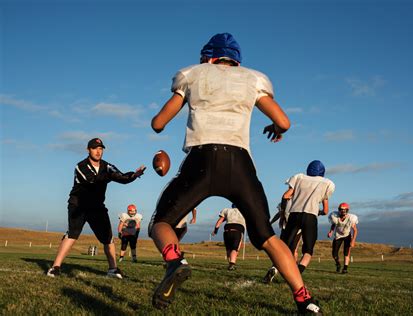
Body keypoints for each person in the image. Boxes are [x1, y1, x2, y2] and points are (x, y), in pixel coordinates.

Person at [148, 33, 322, 314]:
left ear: (208, 56)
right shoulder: (252, 79)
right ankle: (304, 299)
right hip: (241, 163)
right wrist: (276, 130)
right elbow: (284, 122)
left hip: (203, 157)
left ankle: (174, 261)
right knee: (268, 237)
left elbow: (158, 123)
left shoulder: (193, 74)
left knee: (161, 223)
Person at [46, 138, 145, 279]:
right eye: (95, 148)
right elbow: (91, 180)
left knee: (108, 238)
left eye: (101, 148)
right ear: (88, 150)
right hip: (78, 205)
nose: (98, 151)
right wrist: (109, 176)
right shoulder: (80, 166)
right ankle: (55, 267)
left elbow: (122, 177)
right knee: (72, 235)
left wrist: (134, 175)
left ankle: (113, 269)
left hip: (97, 207)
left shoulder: (107, 166)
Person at [278, 160, 335, 274]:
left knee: (285, 247)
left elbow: (286, 196)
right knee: (308, 251)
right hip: (310, 216)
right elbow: (325, 210)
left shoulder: (299, 177)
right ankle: (297, 273)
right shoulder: (327, 183)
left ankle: (275, 268)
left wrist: (283, 212)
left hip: (294, 214)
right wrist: (318, 212)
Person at [263, 202, 302, 283]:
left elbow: (279, 214)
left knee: (281, 251)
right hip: (296, 230)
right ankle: (292, 274)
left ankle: (274, 268)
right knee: (292, 252)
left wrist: (271, 222)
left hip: (285, 230)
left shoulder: (284, 203)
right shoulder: (299, 202)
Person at [211, 204, 246, 271]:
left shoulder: (227, 210)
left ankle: (230, 265)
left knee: (228, 249)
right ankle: (232, 265)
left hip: (227, 231)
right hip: (237, 231)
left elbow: (220, 221)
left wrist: (215, 231)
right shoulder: (244, 211)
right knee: (235, 248)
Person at [327, 202, 358, 274]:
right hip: (338, 236)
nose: (343, 211)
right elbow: (334, 224)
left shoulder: (351, 218)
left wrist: (353, 240)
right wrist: (331, 231)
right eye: (341, 209)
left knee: (346, 253)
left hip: (347, 236)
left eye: (344, 210)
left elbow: (355, 230)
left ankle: (345, 268)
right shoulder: (335, 216)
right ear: (339, 210)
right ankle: (338, 264)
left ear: (347, 210)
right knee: (334, 254)